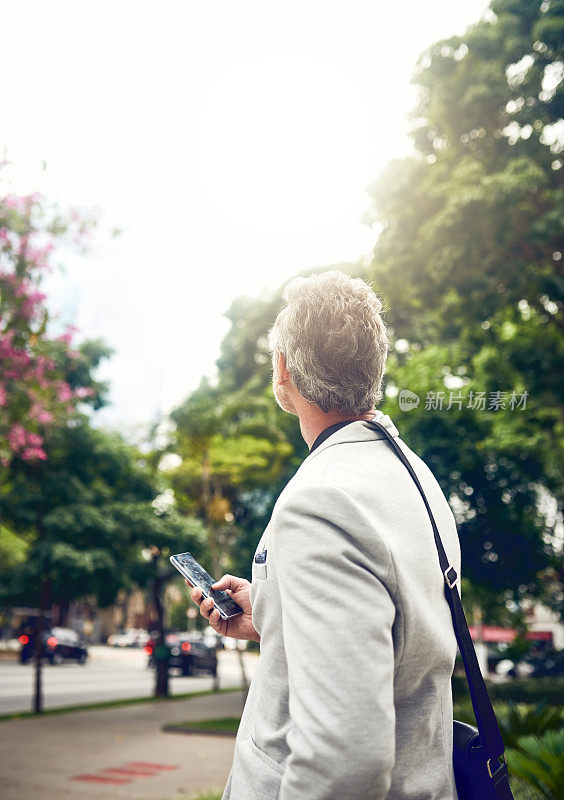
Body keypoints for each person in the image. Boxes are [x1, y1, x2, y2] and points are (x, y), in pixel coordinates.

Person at [187, 270, 461, 800]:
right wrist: (275, 614)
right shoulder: (415, 476)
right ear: (374, 369)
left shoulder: (321, 501)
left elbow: (345, 762)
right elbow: (393, 634)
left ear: (283, 371)